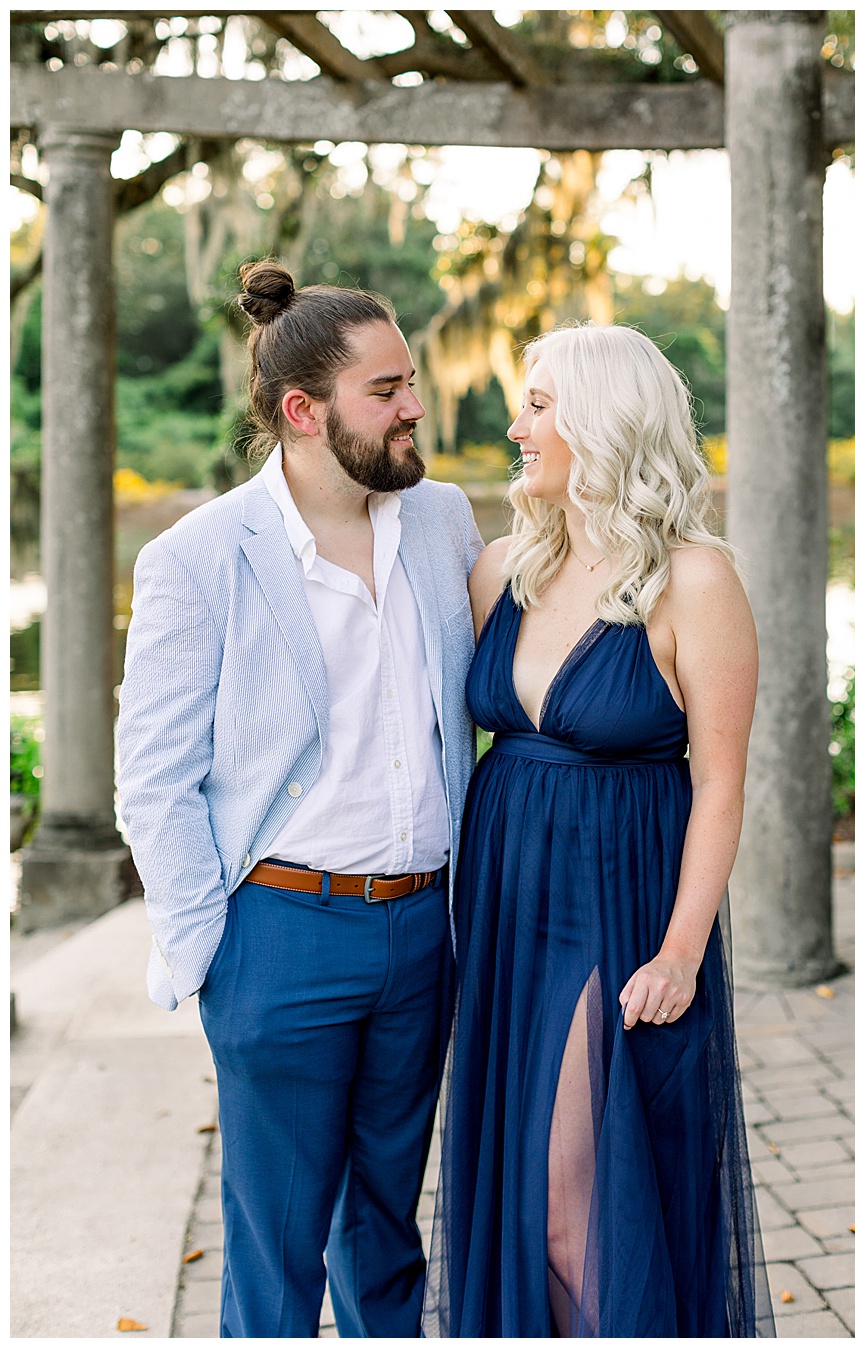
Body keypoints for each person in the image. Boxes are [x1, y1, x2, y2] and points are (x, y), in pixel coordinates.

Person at [116, 260, 485, 1335]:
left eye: (411, 382)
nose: (414, 407)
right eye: (387, 390)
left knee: (386, 1236)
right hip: (279, 937)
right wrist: (210, 948)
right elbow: (155, 777)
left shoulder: (444, 520)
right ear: (303, 411)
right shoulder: (198, 557)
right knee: (276, 1254)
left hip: (423, 929)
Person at [426, 323, 772, 1336]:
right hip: (503, 913)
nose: (515, 427)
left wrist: (680, 951)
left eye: (537, 405)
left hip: (617, 905)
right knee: (515, 1187)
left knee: (574, 1192)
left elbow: (720, 784)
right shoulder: (501, 570)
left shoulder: (693, 580)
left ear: (603, 422)